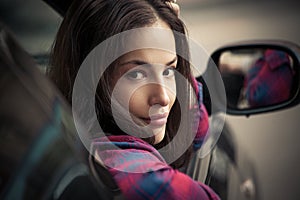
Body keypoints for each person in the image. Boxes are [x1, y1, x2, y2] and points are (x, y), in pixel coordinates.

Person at [48, 0, 219, 199]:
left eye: (169, 70)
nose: (164, 97)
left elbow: (197, 130)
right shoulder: (128, 165)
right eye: (136, 75)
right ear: (89, 78)